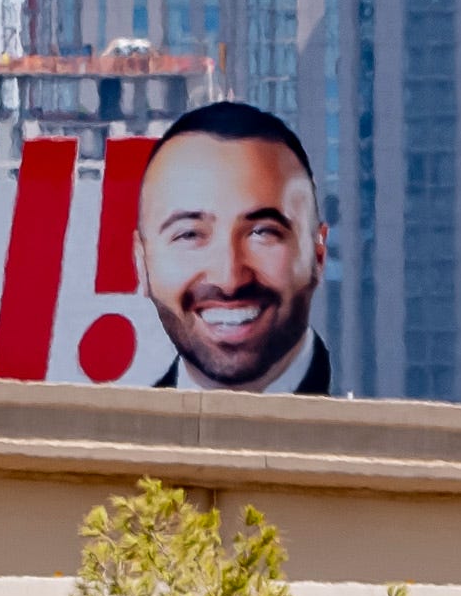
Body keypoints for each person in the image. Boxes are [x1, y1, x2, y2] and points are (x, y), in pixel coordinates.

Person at [133, 101, 337, 394]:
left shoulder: (384, 427)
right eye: (189, 235)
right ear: (141, 264)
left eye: (262, 233)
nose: (229, 280)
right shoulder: (106, 435)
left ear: (318, 255)